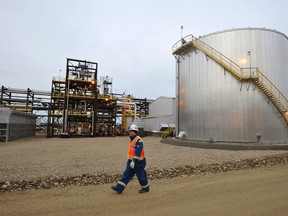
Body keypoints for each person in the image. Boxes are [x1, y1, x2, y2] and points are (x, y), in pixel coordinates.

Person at [111, 124, 149, 194]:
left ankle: (145, 188)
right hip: (131, 161)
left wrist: (134, 161)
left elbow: (138, 152)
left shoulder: (139, 141)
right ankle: (119, 188)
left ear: (135, 132)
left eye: (131, 131)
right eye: (130, 131)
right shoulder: (132, 139)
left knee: (141, 175)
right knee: (126, 174)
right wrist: (131, 161)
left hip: (138, 162)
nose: (129, 133)